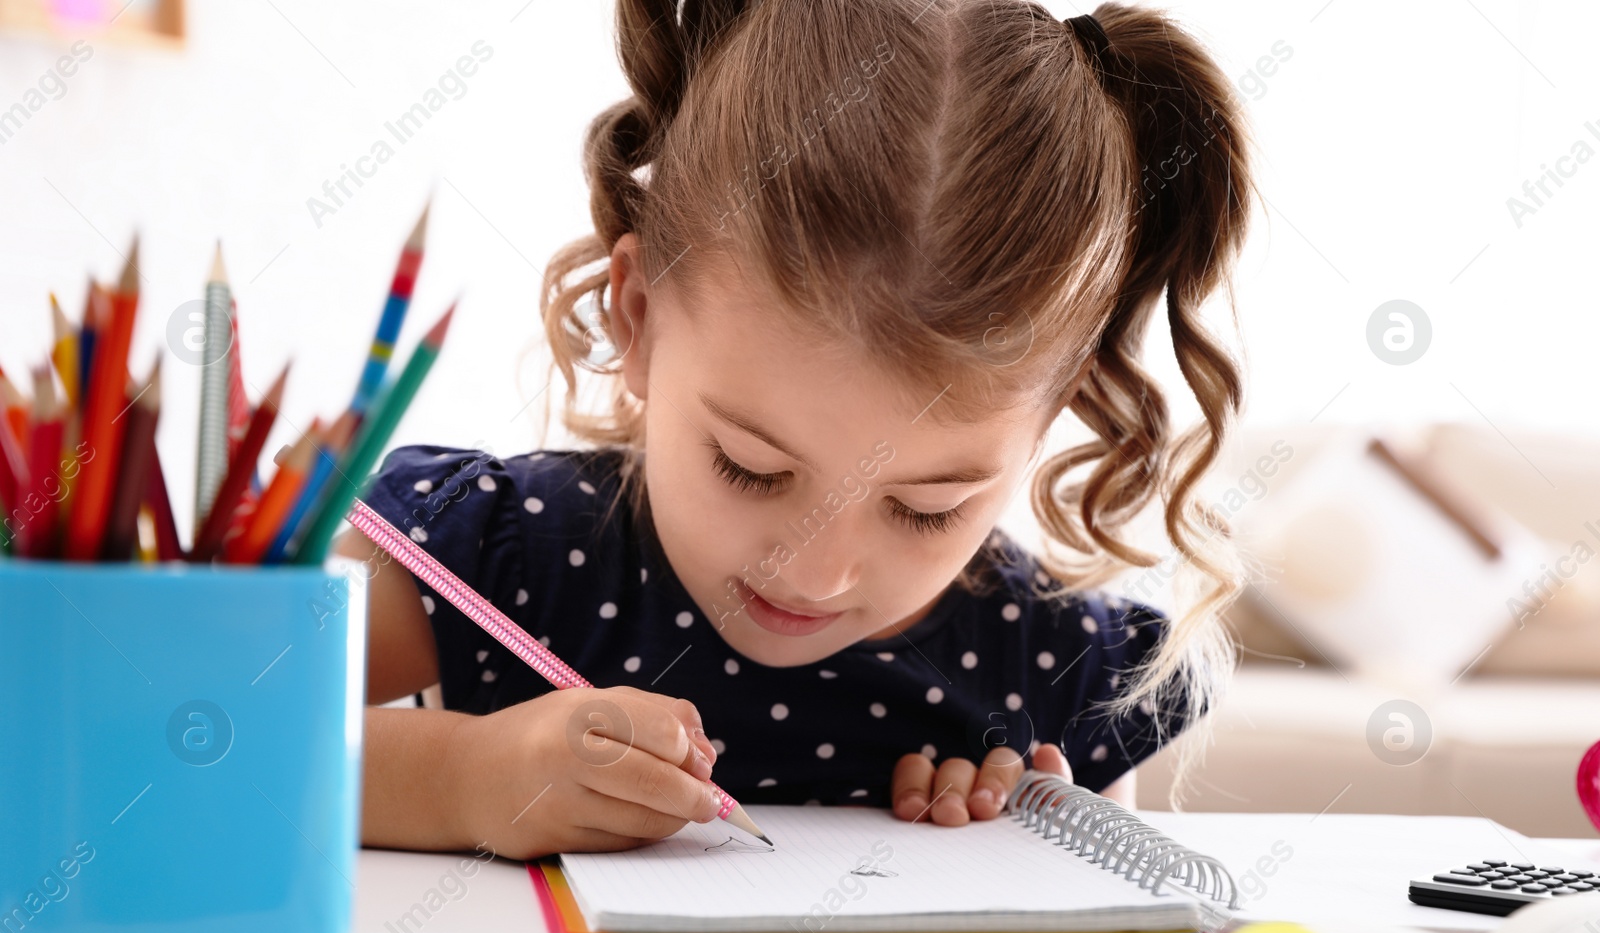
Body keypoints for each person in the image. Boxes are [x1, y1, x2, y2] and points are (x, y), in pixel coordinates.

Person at [343, 0, 1255, 860]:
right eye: (750, 468)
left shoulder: (1051, 669)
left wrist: (1018, 840)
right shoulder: (499, 559)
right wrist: (464, 780)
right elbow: (213, 739)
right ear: (638, 315)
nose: (817, 572)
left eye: (928, 508)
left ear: (1054, 416)